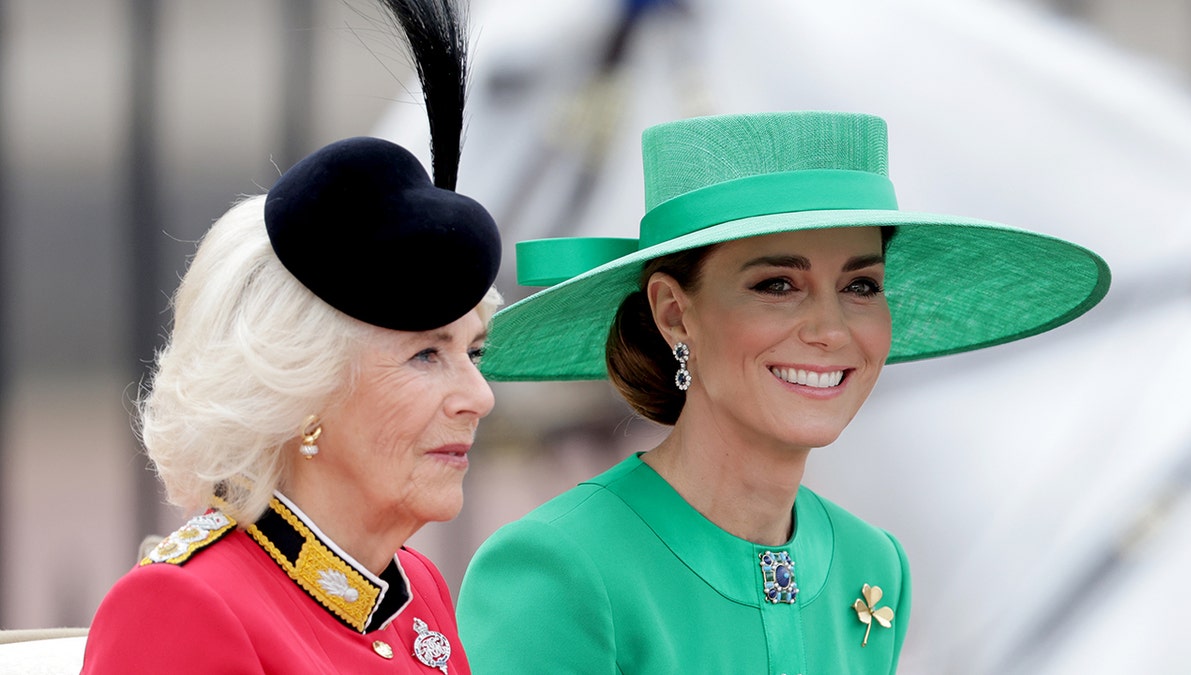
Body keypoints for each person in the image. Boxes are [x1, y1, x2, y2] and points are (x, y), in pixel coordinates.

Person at [455, 111, 1110, 674]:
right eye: (777, 285)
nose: (830, 329)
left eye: (860, 286)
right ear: (675, 313)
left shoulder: (873, 562)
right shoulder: (558, 567)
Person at [81, 2, 498, 672]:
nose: (478, 396)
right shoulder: (181, 604)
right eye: (427, 353)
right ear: (301, 387)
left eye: (471, 352)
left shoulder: (416, 591)